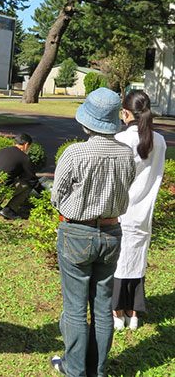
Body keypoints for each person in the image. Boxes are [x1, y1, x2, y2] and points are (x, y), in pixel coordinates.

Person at [50, 87, 135, 377]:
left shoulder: (75, 152)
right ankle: (96, 369)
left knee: (75, 306)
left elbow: (57, 196)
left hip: (77, 231)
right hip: (112, 232)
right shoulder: (126, 154)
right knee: (102, 305)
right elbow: (126, 188)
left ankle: (74, 369)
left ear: (86, 121)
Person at [112, 90, 166, 330]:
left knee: (119, 261)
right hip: (144, 212)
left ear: (125, 113)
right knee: (137, 260)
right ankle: (133, 314)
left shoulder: (122, 139)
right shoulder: (159, 141)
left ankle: (117, 313)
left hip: (121, 211)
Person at [0, 133, 44, 220]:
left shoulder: (2, 150)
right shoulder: (24, 158)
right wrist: (44, 194)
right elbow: (32, 180)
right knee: (27, 185)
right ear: (26, 145)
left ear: (14, 143)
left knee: (4, 181)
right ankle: (9, 209)